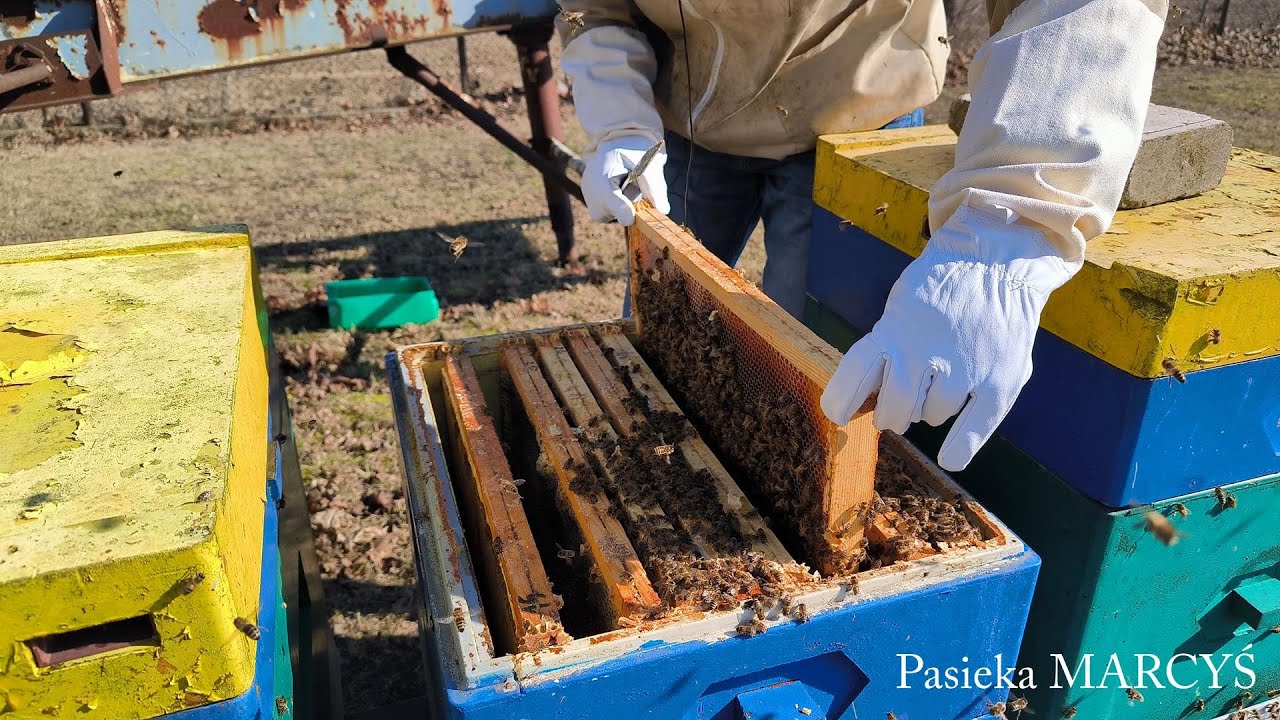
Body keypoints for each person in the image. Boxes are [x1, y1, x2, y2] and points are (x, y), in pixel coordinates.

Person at [558, 0, 1166, 471]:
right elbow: (595, 7)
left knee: (812, 368)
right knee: (656, 333)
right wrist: (619, 120)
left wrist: (1009, 227)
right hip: (690, 114)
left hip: (858, 107)